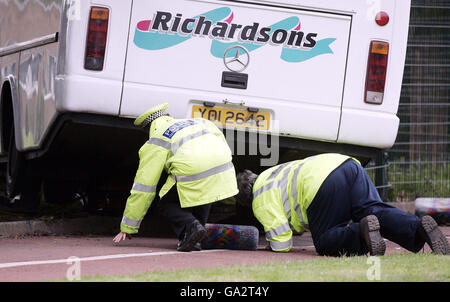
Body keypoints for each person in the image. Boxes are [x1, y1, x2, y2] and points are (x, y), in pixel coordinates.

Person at [236, 153, 449, 256]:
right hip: (348, 165)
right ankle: (418, 228)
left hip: (321, 183)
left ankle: (361, 232)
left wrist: (270, 245)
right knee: (372, 209)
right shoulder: (272, 173)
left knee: (326, 241)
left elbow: (282, 243)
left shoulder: (260, 198)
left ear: (246, 200)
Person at [113, 103, 238, 251]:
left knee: (166, 202)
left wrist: (128, 226)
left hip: (193, 168)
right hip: (223, 166)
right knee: (204, 194)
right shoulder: (199, 121)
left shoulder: (157, 139)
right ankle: (194, 239)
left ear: (150, 127)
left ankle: (191, 228)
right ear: (168, 117)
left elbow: (144, 187)